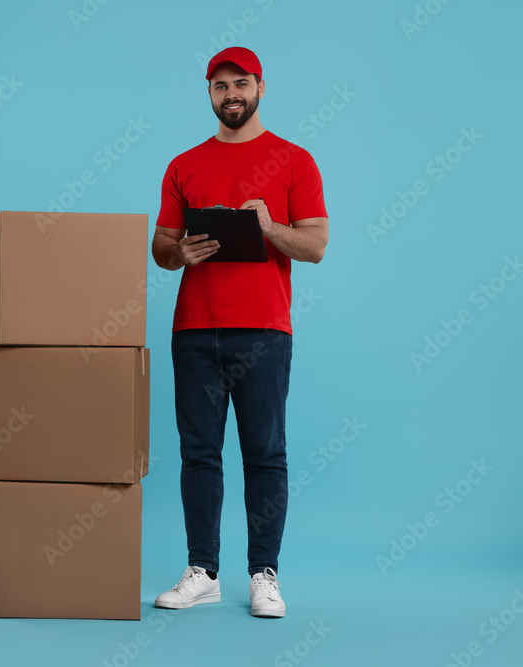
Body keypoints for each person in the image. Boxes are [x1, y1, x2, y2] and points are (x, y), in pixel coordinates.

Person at [150, 47, 329, 618]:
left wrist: (270, 228)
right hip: (195, 330)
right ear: (208, 93)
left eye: (241, 83)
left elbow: (317, 245)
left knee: (265, 455)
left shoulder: (295, 160)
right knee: (199, 454)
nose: (231, 94)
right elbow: (159, 249)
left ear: (260, 88)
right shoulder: (184, 164)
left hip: (265, 331)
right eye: (220, 85)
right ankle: (202, 572)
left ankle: (264, 575)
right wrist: (180, 251)